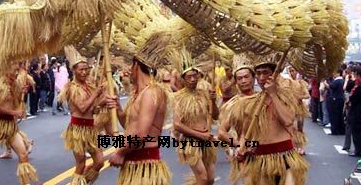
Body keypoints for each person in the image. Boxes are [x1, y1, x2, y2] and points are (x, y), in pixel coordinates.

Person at [233, 53, 309, 185]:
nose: (262, 77)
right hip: (261, 158)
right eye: (258, 73)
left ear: (274, 75)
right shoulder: (249, 103)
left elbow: (288, 121)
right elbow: (246, 133)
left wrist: (273, 94)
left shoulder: (286, 96)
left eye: (266, 73)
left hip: (285, 155)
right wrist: (242, 148)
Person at [106, 34, 172, 185]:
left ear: (136, 65)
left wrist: (120, 153)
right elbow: (130, 126)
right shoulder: (139, 94)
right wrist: (118, 109)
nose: (129, 71)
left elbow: (142, 135)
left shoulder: (151, 93)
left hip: (145, 165)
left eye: (130, 66)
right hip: (134, 163)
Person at [58, 46, 105, 184]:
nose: (84, 72)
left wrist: (100, 104)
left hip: (90, 130)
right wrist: (96, 94)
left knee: (99, 161)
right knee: (81, 164)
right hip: (78, 130)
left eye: (86, 69)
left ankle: (82, 181)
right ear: (74, 70)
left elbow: (91, 109)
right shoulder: (72, 88)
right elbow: (83, 107)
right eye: (81, 70)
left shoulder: (88, 86)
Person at [172, 49, 219, 185]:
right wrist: (199, 135)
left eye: (195, 76)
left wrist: (213, 101)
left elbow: (215, 116)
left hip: (207, 139)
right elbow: (177, 125)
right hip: (190, 142)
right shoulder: (178, 98)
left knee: (210, 180)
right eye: (189, 77)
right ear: (183, 79)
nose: (193, 79)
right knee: (203, 179)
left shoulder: (204, 93)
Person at [217, 54, 255, 183]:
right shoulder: (233, 105)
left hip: (267, 153)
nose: (243, 81)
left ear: (253, 78)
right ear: (236, 82)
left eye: (246, 77)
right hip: (246, 154)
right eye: (239, 78)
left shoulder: (263, 99)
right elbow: (221, 133)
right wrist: (239, 145)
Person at [325, 69, 345, 135]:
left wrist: (325, 83)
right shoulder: (341, 80)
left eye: (335, 73)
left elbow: (331, 86)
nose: (334, 74)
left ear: (339, 73)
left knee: (334, 115)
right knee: (339, 115)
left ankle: (335, 130)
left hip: (335, 99)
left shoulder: (338, 81)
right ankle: (340, 130)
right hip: (340, 99)